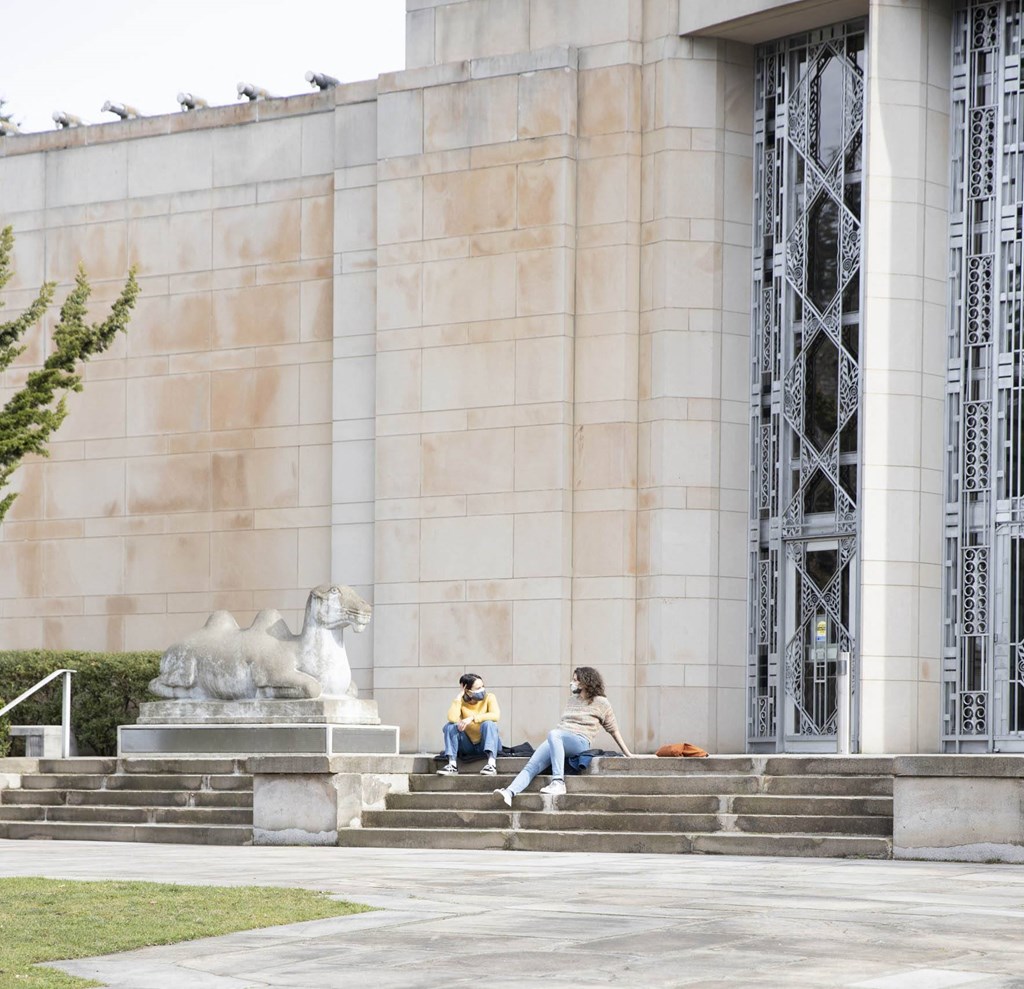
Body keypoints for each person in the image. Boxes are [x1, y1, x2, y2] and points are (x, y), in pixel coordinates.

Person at [494, 666, 632, 805]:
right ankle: (509, 792)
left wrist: (628, 754)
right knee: (531, 766)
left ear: (585, 682)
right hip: (559, 738)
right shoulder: (572, 699)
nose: (572, 683)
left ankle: (558, 782)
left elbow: (613, 730)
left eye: (575, 680)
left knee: (554, 734)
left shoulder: (602, 703)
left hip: (580, 740)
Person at [439, 673, 501, 776]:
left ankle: (491, 764)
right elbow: (452, 718)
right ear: (468, 691)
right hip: (468, 745)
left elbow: (496, 716)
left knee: (489, 724)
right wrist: (459, 697)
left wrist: (472, 718)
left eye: (483, 686)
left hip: (486, 743)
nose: (482, 690)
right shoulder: (461, 701)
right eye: (478, 688)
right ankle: (452, 765)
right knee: (449, 727)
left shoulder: (489, 697)